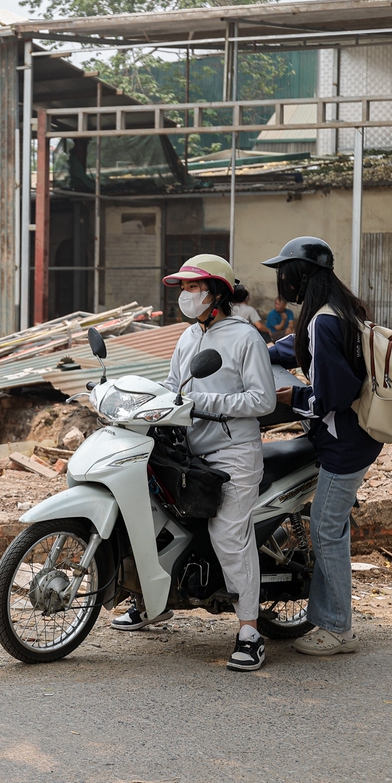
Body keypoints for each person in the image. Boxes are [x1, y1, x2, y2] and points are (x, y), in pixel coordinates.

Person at [113, 254, 276, 673]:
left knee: (227, 534)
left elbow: (264, 400)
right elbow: (173, 386)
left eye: (193, 288)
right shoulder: (188, 337)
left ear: (216, 292)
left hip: (233, 453)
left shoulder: (245, 338)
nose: (186, 296)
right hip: (189, 450)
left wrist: (204, 402)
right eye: (182, 289)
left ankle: (250, 632)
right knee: (153, 517)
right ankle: (152, 602)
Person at [263, 237, 382, 657]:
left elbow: (332, 396)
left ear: (300, 276)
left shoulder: (322, 321)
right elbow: (300, 348)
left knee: (327, 527)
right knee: (333, 527)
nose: (281, 283)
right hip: (356, 436)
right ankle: (329, 614)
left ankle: (337, 628)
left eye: (284, 274)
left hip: (343, 443)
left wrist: (287, 399)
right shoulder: (337, 310)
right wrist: (259, 351)